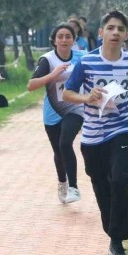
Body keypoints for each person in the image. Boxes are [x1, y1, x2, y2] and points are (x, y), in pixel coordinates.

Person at [63, 10, 128, 255]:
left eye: (120, 29)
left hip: (122, 127)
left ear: (126, 35)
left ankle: (117, 242)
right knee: (102, 186)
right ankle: (112, 234)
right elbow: (68, 93)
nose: (115, 33)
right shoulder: (87, 62)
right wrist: (86, 97)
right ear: (101, 33)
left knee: (121, 178)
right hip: (93, 134)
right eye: (110, 28)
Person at [27, 23, 85, 204]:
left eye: (68, 36)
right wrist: (53, 75)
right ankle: (62, 182)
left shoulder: (82, 57)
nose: (64, 40)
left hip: (75, 108)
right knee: (59, 151)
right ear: (54, 40)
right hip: (53, 111)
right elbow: (31, 86)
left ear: (74, 40)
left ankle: (74, 188)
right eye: (60, 36)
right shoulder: (47, 60)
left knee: (65, 142)